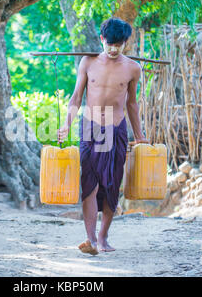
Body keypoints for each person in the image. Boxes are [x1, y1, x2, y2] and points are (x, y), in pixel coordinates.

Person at [57, 17, 149, 255]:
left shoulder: (132, 68)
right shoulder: (88, 62)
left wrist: (139, 134)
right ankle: (90, 240)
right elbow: (76, 97)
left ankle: (103, 236)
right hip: (90, 127)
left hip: (116, 128)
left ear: (126, 43)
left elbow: (131, 103)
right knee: (89, 183)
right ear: (102, 39)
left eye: (118, 44)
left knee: (112, 183)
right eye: (110, 43)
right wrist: (66, 125)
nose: (113, 48)